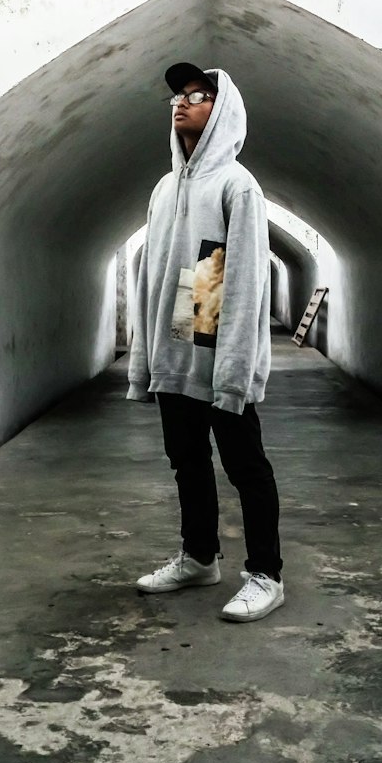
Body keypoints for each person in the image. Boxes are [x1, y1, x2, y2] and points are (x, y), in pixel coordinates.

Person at [127, 63, 283, 622]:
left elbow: (242, 281)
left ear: (223, 111)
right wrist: (146, 361)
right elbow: (154, 276)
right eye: (178, 94)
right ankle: (199, 557)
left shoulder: (238, 186)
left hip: (221, 353)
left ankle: (266, 574)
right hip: (176, 349)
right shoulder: (165, 187)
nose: (182, 102)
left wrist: (235, 370)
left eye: (198, 95)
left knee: (246, 466)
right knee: (186, 460)